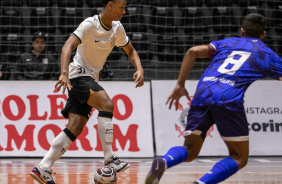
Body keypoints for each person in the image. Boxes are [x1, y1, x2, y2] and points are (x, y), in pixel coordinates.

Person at [145, 13, 282, 184]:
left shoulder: (227, 42)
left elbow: (192, 51)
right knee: (239, 157)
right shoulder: (267, 54)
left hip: (203, 93)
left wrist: (180, 84)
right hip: (228, 98)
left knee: (189, 149)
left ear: (241, 31)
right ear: (263, 35)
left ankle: (164, 161)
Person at [30, 0, 144, 183]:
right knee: (107, 104)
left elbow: (130, 51)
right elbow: (67, 46)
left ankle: (43, 167)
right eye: (121, 6)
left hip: (90, 77)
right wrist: (64, 73)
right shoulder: (90, 24)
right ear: (110, 5)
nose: (124, 10)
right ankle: (110, 158)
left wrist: (139, 68)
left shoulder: (118, 28)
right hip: (78, 75)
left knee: (75, 127)